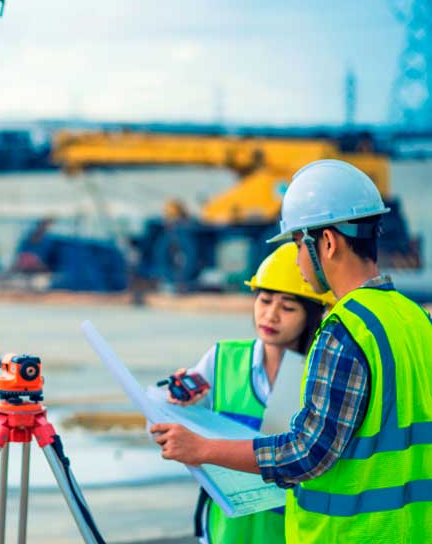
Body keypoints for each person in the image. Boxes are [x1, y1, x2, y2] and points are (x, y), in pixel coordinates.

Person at [150, 159, 432, 542]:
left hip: (350, 534)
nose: (297, 259)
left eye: (299, 243)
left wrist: (202, 449)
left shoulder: (345, 331)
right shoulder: (415, 318)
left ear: (328, 243)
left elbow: (307, 452)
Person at [168, 242, 334, 544]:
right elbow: (169, 429)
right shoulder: (222, 359)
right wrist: (179, 403)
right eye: (264, 300)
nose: (270, 315)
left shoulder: (319, 374)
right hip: (225, 530)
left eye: (287, 307)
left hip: (289, 532)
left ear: (312, 314)